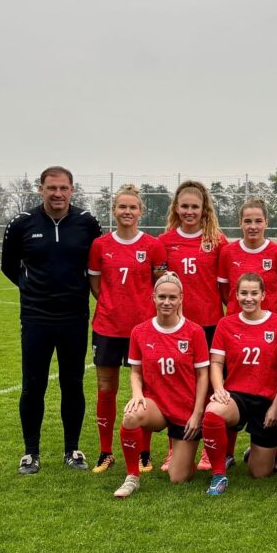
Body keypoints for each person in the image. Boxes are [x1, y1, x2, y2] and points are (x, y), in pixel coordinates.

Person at [1, 165, 102, 475]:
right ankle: (31, 452)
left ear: (72, 190)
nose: (58, 194)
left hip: (74, 317)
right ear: (40, 189)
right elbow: (9, 266)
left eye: (64, 188)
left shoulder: (86, 223)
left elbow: (96, 264)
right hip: (36, 318)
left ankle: (72, 449)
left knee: (73, 384)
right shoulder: (22, 223)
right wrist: (33, 289)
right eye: (51, 188)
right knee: (34, 386)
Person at [87, 185, 166, 474]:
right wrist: (111, 305)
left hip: (144, 330)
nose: (127, 212)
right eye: (122, 207)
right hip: (107, 328)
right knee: (106, 388)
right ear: (114, 211)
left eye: (133, 207)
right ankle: (106, 452)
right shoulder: (100, 246)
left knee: (145, 390)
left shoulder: (153, 246)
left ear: (140, 212)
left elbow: (160, 286)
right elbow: (96, 285)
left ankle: (144, 453)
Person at [113, 273, 210, 498]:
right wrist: (137, 394)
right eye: (162, 297)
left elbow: (202, 375)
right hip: (156, 405)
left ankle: (184, 458)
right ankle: (132, 477)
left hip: (184, 411)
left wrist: (197, 413)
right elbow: (135, 372)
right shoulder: (139, 331)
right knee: (131, 416)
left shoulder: (194, 331)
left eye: (172, 297)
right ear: (153, 298)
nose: (167, 302)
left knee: (178, 477)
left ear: (181, 299)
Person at [158, 180, 228, 472]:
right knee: (178, 389)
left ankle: (208, 452)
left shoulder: (217, 242)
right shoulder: (164, 242)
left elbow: (224, 287)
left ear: (204, 209)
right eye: (184, 206)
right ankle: (174, 450)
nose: (189, 211)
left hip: (210, 324)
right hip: (177, 328)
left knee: (212, 389)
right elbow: (160, 285)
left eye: (194, 207)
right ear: (176, 208)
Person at [199, 273, 277, 496]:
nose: (248, 298)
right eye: (243, 293)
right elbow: (216, 363)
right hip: (237, 396)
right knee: (212, 413)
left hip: (267, 400)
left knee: (260, 473)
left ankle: (256, 452)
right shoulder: (226, 323)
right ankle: (219, 475)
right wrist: (219, 389)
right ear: (236, 295)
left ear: (263, 295)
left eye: (253, 293)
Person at [217, 197, 277, 316]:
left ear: (266, 222)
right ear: (240, 223)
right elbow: (225, 293)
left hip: (268, 326)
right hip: (236, 324)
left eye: (258, 221)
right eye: (247, 221)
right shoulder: (227, 252)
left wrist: (271, 315)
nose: (253, 226)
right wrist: (243, 314)